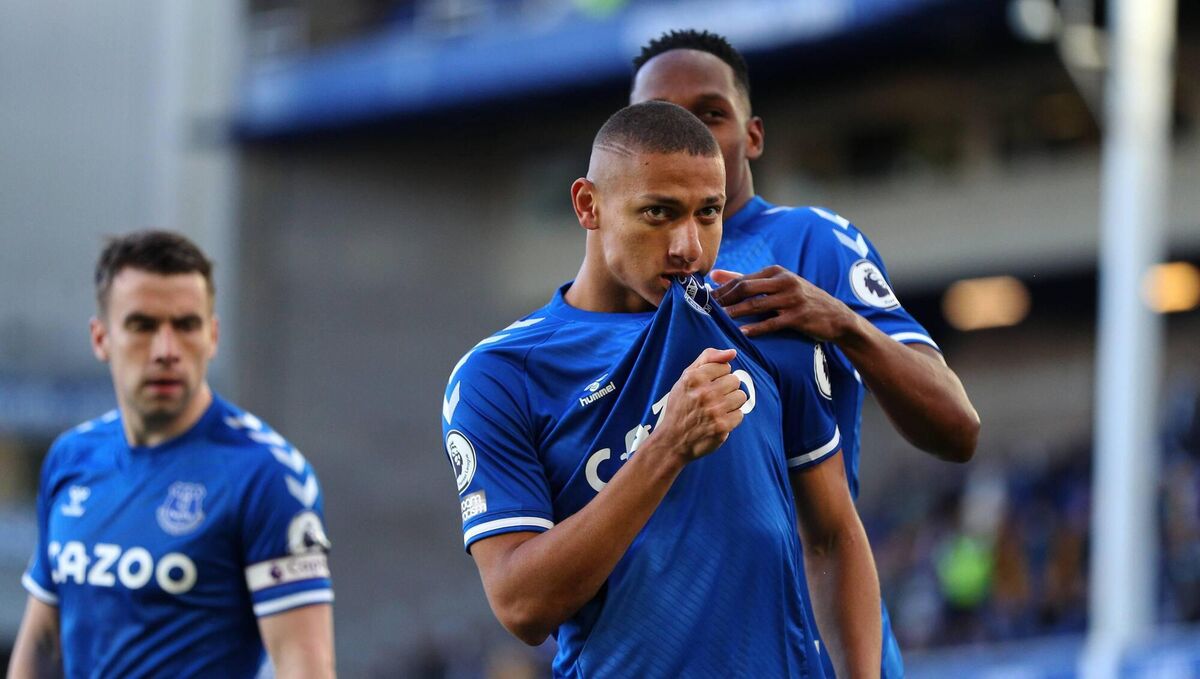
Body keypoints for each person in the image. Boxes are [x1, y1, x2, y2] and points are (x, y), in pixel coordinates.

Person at [442, 101, 880, 678]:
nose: (689, 247)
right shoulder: (501, 375)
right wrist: (666, 446)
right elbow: (523, 606)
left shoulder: (766, 329)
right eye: (659, 214)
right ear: (588, 205)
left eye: (709, 214)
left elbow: (831, 536)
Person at [630, 29, 982, 677]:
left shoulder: (807, 242)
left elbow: (957, 426)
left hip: (819, 645)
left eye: (710, 114)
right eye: (661, 119)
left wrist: (843, 322)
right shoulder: (614, 290)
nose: (686, 136)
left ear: (753, 136)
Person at [8, 231, 336, 679]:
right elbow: (42, 643)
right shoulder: (71, 458)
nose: (166, 351)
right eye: (142, 326)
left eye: (186, 325)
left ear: (213, 335)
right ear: (101, 338)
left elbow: (305, 667)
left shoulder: (266, 475)